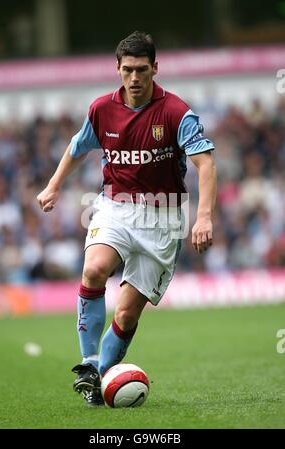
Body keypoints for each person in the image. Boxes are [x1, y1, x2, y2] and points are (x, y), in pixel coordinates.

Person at [37, 31, 217, 406]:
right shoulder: (102, 109)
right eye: (127, 70)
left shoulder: (176, 112)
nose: (135, 78)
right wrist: (53, 186)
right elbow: (76, 148)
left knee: (128, 313)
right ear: (117, 69)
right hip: (115, 207)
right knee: (93, 271)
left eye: (142, 70)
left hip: (163, 218)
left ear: (155, 68)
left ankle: (101, 383)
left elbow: (206, 164)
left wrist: (203, 218)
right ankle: (88, 365)